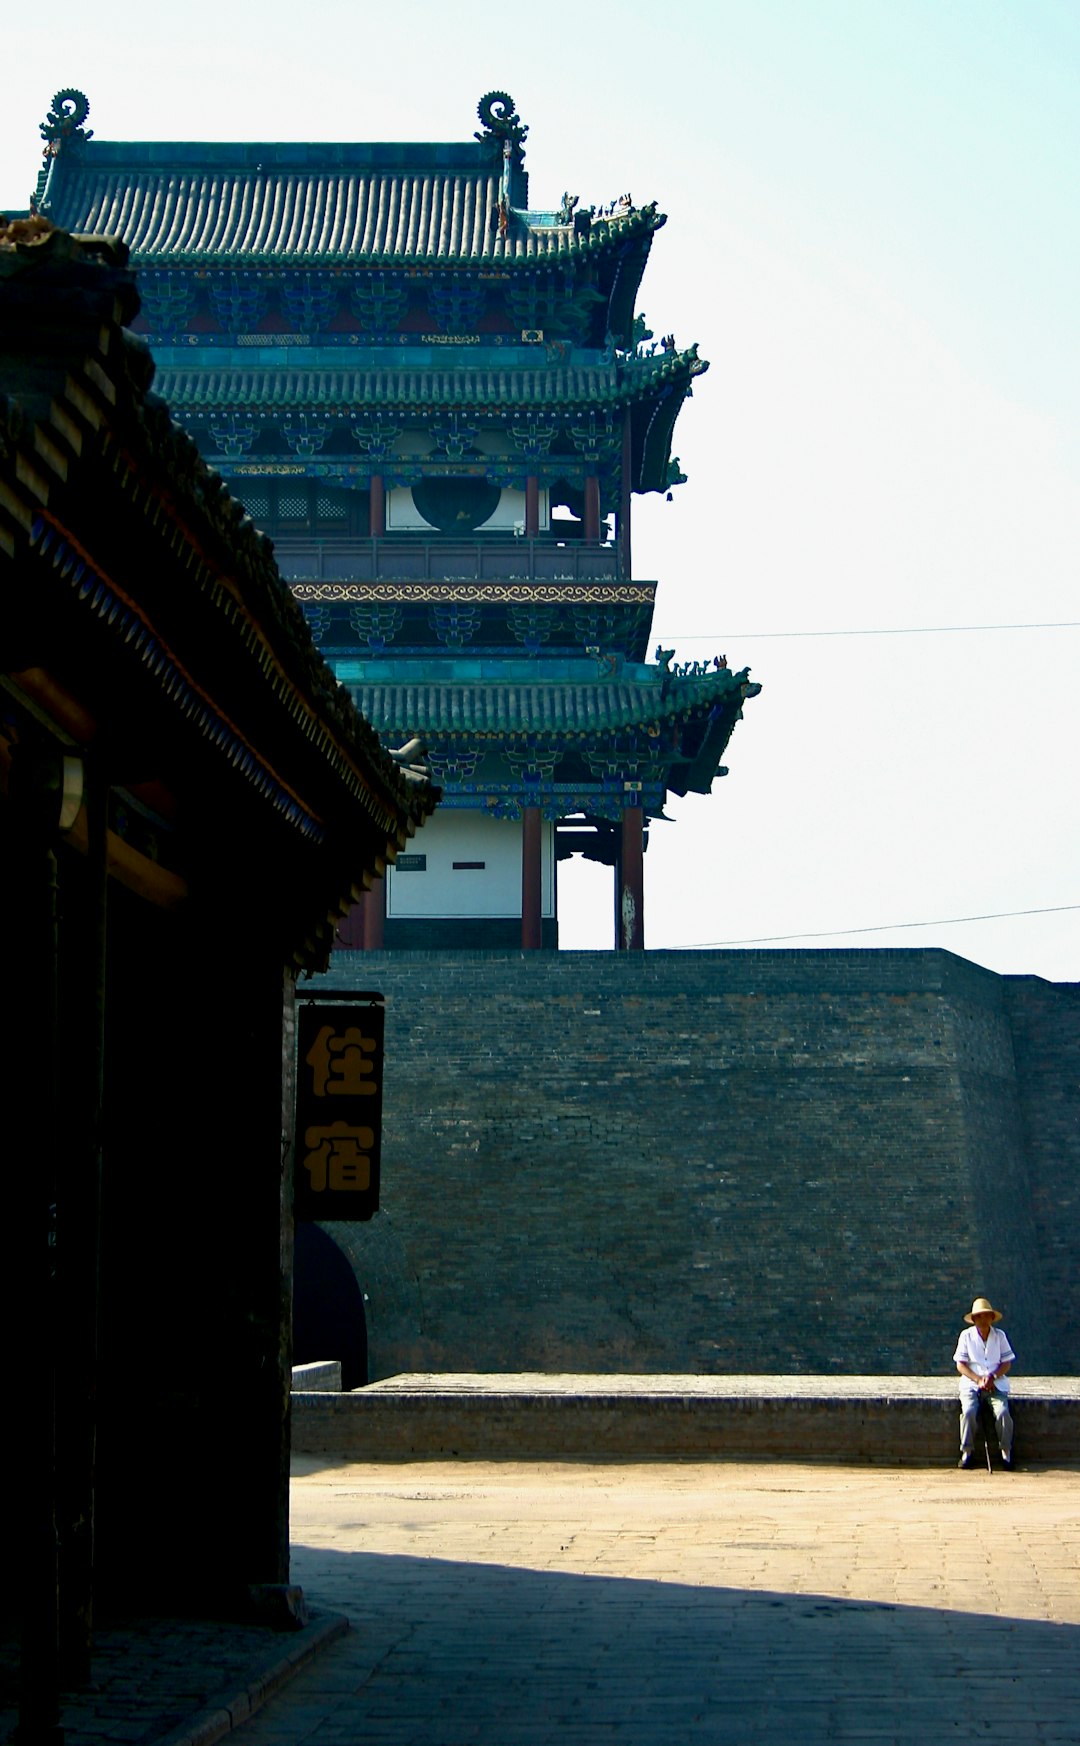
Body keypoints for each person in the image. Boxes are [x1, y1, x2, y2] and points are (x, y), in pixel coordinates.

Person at [953, 1296, 1015, 1469]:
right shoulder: (966, 1336)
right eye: (979, 1316)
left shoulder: (1000, 1336)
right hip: (972, 1384)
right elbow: (961, 1365)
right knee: (969, 1412)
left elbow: (1006, 1363)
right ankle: (967, 1451)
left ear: (991, 1318)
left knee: (1003, 1413)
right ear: (974, 1319)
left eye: (986, 1315)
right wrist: (978, 1379)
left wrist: (992, 1377)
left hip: (996, 1383)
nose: (983, 1319)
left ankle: (1006, 1451)